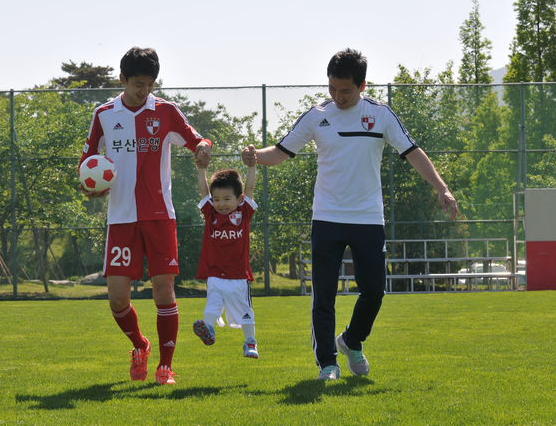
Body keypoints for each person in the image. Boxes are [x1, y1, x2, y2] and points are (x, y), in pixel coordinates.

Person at [242, 49, 458, 381]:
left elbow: (413, 152)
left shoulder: (380, 115)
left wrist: (441, 188)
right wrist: (256, 155)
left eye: (345, 91)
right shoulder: (317, 116)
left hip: (368, 218)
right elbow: (282, 152)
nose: (338, 97)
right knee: (324, 295)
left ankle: (352, 340)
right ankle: (327, 363)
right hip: (326, 217)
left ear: (362, 86)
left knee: (374, 290)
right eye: (332, 88)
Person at [78, 46, 212, 385]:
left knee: (163, 289)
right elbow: (87, 162)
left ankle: (165, 366)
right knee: (117, 297)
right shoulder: (104, 114)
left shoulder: (165, 111)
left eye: (150, 84)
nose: (145, 90)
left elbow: (196, 140)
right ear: (122, 79)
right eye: (139, 84)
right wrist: (89, 185)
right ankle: (140, 345)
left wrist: (202, 148)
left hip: (159, 215)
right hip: (121, 217)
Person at [192, 146, 259, 359]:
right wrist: (201, 169)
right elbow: (204, 192)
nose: (221, 204)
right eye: (217, 199)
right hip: (214, 273)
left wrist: (251, 167)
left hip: (238, 274)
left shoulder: (244, 212)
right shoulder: (210, 213)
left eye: (227, 199)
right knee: (212, 305)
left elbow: (249, 188)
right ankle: (208, 329)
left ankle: (250, 343)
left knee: (245, 310)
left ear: (238, 199)